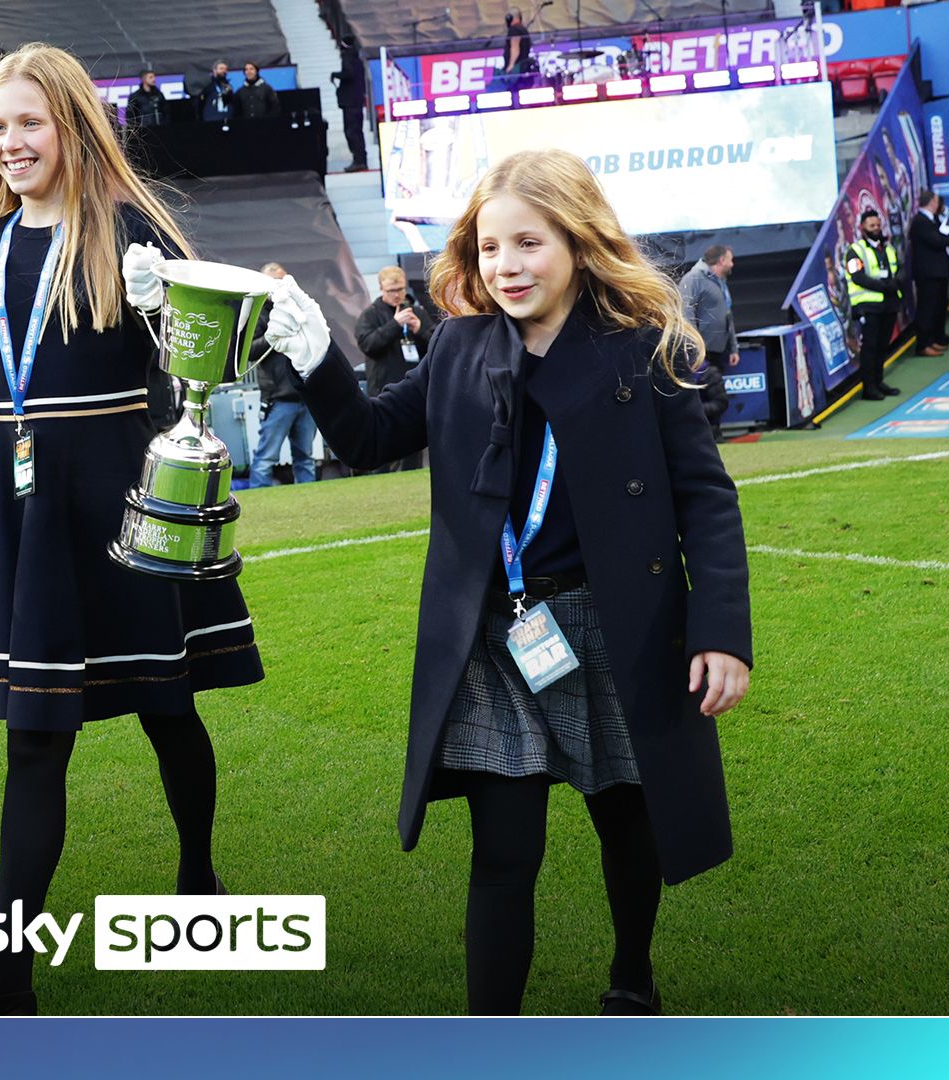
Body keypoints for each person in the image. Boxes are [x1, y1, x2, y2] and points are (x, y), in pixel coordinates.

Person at [271, 147, 751, 1015]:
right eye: (491, 249)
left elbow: (706, 498)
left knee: (625, 820)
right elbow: (372, 436)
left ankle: (632, 976)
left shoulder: (641, 348)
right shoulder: (457, 344)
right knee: (503, 847)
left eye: (528, 244)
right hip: (495, 637)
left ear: (575, 239)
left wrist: (720, 629)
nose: (507, 266)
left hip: (613, 627)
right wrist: (316, 359)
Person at [0, 43, 262, 1015]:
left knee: (168, 704)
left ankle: (201, 888)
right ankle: (10, 976)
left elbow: (205, 360)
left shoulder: (132, 230)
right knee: (33, 738)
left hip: (131, 500)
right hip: (31, 517)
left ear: (71, 126)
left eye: (28, 123)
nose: (11, 143)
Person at [353, 265, 431, 471]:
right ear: (381, 289)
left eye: (400, 289)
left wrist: (420, 330)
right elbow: (368, 344)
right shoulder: (370, 315)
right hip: (383, 391)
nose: (397, 295)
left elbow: (437, 346)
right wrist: (395, 325)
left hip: (414, 390)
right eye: (391, 291)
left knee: (412, 449)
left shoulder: (417, 312)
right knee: (386, 447)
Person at [250, 261, 319, 486]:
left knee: (306, 457)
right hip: (278, 397)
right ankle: (258, 504)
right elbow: (248, 351)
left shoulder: (299, 308)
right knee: (266, 459)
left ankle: (313, 503)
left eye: (284, 280)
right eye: (277, 282)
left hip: (305, 394)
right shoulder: (255, 314)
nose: (282, 287)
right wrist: (272, 337)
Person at [679, 245, 738, 434]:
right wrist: (695, 347)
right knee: (701, 396)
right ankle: (701, 435)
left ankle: (715, 433)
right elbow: (685, 313)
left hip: (718, 350)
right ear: (721, 260)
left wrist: (733, 347)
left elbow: (727, 316)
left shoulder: (720, 282)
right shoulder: (693, 279)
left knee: (717, 395)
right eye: (730, 259)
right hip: (700, 352)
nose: (732, 264)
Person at [846, 209, 904, 400]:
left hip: (889, 304)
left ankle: (879, 381)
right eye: (872, 226)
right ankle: (869, 387)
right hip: (868, 306)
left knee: (882, 346)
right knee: (869, 347)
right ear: (862, 228)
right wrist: (882, 287)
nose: (876, 229)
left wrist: (895, 284)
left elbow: (899, 270)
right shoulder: (855, 251)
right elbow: (857, 276)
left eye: (878, 225)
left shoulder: (888, 249)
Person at [908, 191, 949, 358]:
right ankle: (923, 344)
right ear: (932, 202)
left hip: (938, 270)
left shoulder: (930, 220)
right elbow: (938, 241)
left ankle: (935, 338)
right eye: (937, 202)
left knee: (938, 306)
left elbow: (940, 237)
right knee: (927, 308)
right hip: (928, 272)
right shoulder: (920, 221)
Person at [332, 35, 370, 173]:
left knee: (351, 131)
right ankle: (361, 160)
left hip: (350, 102)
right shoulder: (358, 59)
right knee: (357, 131)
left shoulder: (348, 58)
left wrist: (336, 75)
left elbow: (349, 74)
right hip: (357, 100)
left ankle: (358, 161)